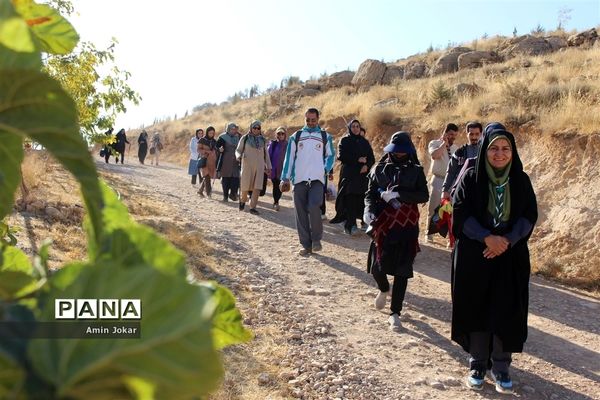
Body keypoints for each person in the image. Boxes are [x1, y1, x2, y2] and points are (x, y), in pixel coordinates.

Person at [451, 128, 537, 394]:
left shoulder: (520, 180)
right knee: (477, 307)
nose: (499, 154)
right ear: (485, 149)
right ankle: (477, 363)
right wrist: (487, 238)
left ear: (512, 152)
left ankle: (501, 366)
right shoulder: (471, 177)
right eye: (494, 148)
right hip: (476, 255)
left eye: (505, 149)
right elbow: (461, 213)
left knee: (506, 309)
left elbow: (528, 216)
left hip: (510, 256)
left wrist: (507, 240)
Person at [363, 132, 429, 331]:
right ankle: (384, 288)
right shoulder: (378, 169)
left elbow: (423, 195)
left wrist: (400, 194)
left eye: (403, 152)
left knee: (402, 271)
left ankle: (395, 313)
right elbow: (369, 194)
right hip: (383, 226)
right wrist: (368, 210)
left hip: (407, 228)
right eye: (396, 152)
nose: (399, 155)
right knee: (377, 269)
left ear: (408, 152)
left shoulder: (416, 171)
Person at [280, 107, 332, 256]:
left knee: (314, 205)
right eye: (307, 120)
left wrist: (324, 169)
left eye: (313, 120)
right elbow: (289, 158)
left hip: (317, 180)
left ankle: (316, 240)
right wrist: (285, 177)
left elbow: (330, 156)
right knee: (300, 213)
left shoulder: (324, 136)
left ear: (318, 119)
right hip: (299, 180)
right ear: (304, 119)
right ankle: (305, 245)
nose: (310, 122)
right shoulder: (296, 136)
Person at [331, 119, 375, 235]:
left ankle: (363, 222)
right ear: (350, 128)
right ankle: (350, 225)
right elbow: (341, 156)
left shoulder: (364, 142)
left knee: (361, 198)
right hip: (349, 175)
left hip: (362, 176)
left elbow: (371, 158)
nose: (356, 128)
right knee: (349, 198)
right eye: (353, 126)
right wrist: (357, 159)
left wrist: (367, 165)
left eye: (357, 126)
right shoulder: (344, 140)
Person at [425, 123, 458, 242]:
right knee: (433, 207)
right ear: (445, 133)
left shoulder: (456, 149)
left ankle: (450, 237)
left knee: (449, 210)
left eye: (454, 135)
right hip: (438, 179)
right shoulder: (435, 144)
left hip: (450, 182)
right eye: (450, 134)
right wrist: (444, 143)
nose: (452, 137)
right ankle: (429, 233)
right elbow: (435, 155)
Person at [236, 120, 272, 214]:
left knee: (257, 187)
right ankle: (243, 201)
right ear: (251, 128)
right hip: (247, 165)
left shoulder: (263, 140)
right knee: (245, 185)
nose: (256, 130)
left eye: (258, 128)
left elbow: (266, 154)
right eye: (254, 128)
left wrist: (269, 166)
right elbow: (238, 150)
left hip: (260, 167)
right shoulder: (245, 138)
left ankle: (253, 207)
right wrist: (238, 156)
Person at [441, 121, 482, 200]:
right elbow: (451, 172)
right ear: (467, 134)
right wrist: (445, 190)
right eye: (471, 134)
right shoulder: (460, 152)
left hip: (480, 190)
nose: (474, 137)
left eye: (477, 134)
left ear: (481, 134)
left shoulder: (486, 151)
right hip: (462, 189)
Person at [216, 122, 241, 202]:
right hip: (226, 161)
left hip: (236, 162)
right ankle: (225, 196)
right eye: (232, 129)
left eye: (235, 129)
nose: (234, 131)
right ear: (228, 129)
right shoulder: (222, 137)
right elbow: (216, 146)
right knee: (226, 179)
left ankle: (233, 194)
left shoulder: (239, 137)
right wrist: (219, 149)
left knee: (236, 179)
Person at [267, 126, 288, 211]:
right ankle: (276, 202)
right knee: (276, 186)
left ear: (285, 134)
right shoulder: (273, 144)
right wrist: (268, 167)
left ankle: (276, 200)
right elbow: (268, 156)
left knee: (280, 186)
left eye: (282, 133)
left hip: (283, 170)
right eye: (279, 133)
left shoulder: (288, 144)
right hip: (274, 169)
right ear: (276, 135)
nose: (280, 135)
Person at [320, 131, 336, 220]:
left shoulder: (326, 147)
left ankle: (322, 212)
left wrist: (330, 172)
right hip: (313, 172)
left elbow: (329, 159)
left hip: (324, 172)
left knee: (322, 191)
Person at [198, 126, 218, 198]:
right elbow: (198, 149)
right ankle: (209, 193)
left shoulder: (214, 141)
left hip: (212, 162)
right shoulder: (202, 140)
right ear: (207, 132)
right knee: (206, 176)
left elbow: (216, 150)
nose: (211, 134)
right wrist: (206, 151)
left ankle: (200, 191)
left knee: (208, 176)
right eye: (210, 133)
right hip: (204, 160)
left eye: (213, 133)